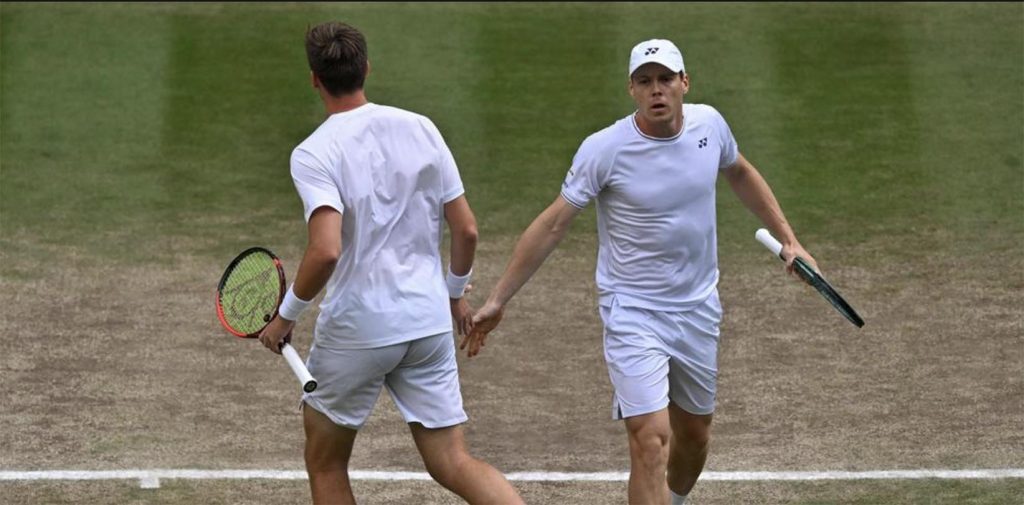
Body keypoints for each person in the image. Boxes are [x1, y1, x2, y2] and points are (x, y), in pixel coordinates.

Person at [464, 39, 819, 505]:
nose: (657, 90)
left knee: (694, 438)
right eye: (645, 81)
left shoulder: (710, 126)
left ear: (684, 83)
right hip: (632, 311)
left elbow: (739, 172)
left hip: (697, 308)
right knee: (650, 438)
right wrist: (498, 300)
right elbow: (553, 225)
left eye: (666, 79)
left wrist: (789, 239)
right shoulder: (604, 149)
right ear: (631, 90)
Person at [257, 21, 524, 505]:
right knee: (454, 462)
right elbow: (466, 229)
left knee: (325, 460)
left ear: (314, 78)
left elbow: (326, 250)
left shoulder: (313, 152)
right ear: (366, 69)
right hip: (426, 324)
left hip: (359, 327)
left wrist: (284, 318)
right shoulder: (421, 127)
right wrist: (454, 295)